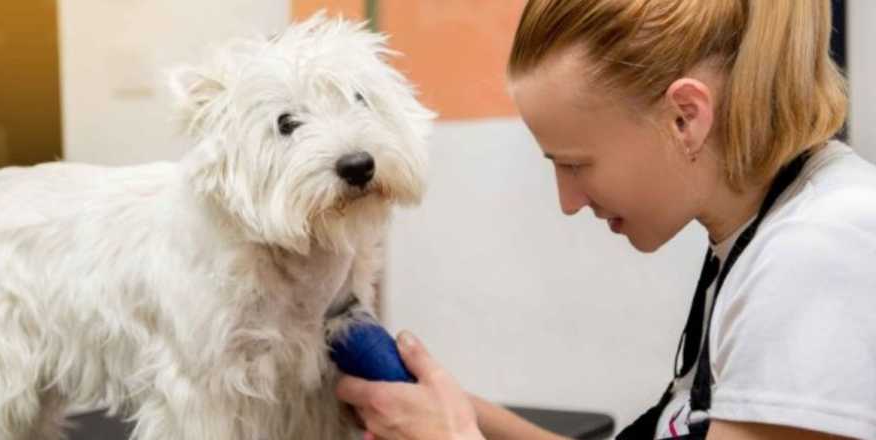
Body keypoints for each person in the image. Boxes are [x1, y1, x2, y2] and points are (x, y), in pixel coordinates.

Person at [335, 1, 876, 439]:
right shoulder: (753, 240)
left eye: (574, 164)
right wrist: (462, 414)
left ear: (685, 119)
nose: (568, 201)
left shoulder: (817, 254)